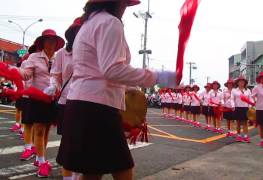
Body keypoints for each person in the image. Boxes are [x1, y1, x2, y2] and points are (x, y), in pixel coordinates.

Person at [56, 0, 176, 179]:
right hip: (98, 107)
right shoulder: (110, 22)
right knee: (122, 169)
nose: (125, 8)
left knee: (91, 172)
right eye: (125, 3)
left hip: (81, 103)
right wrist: (159, 77)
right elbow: (112, 70)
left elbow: (102, 69)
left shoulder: (89, 23)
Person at [18, 29, 65, 177]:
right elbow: (26, 74)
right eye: (47, 39)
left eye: (53, 40)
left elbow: (61, 77)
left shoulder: (59, 58)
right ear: (42, 42)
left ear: (57, 43)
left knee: (45, 131)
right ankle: (42, 162)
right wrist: (12, 71)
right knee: (38, 129)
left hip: (52, 100)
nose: (50, 42)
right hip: (37, 99)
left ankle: (40, 158)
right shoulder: (34, 57)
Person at [45, 17, 81, 180]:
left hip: (87, 103)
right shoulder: (62, 54)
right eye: (77, 31)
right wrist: (54, 85)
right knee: (68, 143)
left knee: (83, 143)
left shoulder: (94, 50)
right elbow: (55, 74)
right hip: (67, 102)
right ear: (71, 34)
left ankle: (78, 175)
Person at [231, 76, 252, 143]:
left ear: (245, 83)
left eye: (243, 81)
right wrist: (233, 106)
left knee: (245, 123)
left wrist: (250, 106)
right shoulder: (234, 90)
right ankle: (239, 136)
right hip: (237, 108)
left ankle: (245, 136)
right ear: (237, 82)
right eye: (240, 81)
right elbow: (232, 99)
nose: (241, 82)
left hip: (246, 108)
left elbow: (250, 99)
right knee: (238, 123)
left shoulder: (248, 90)